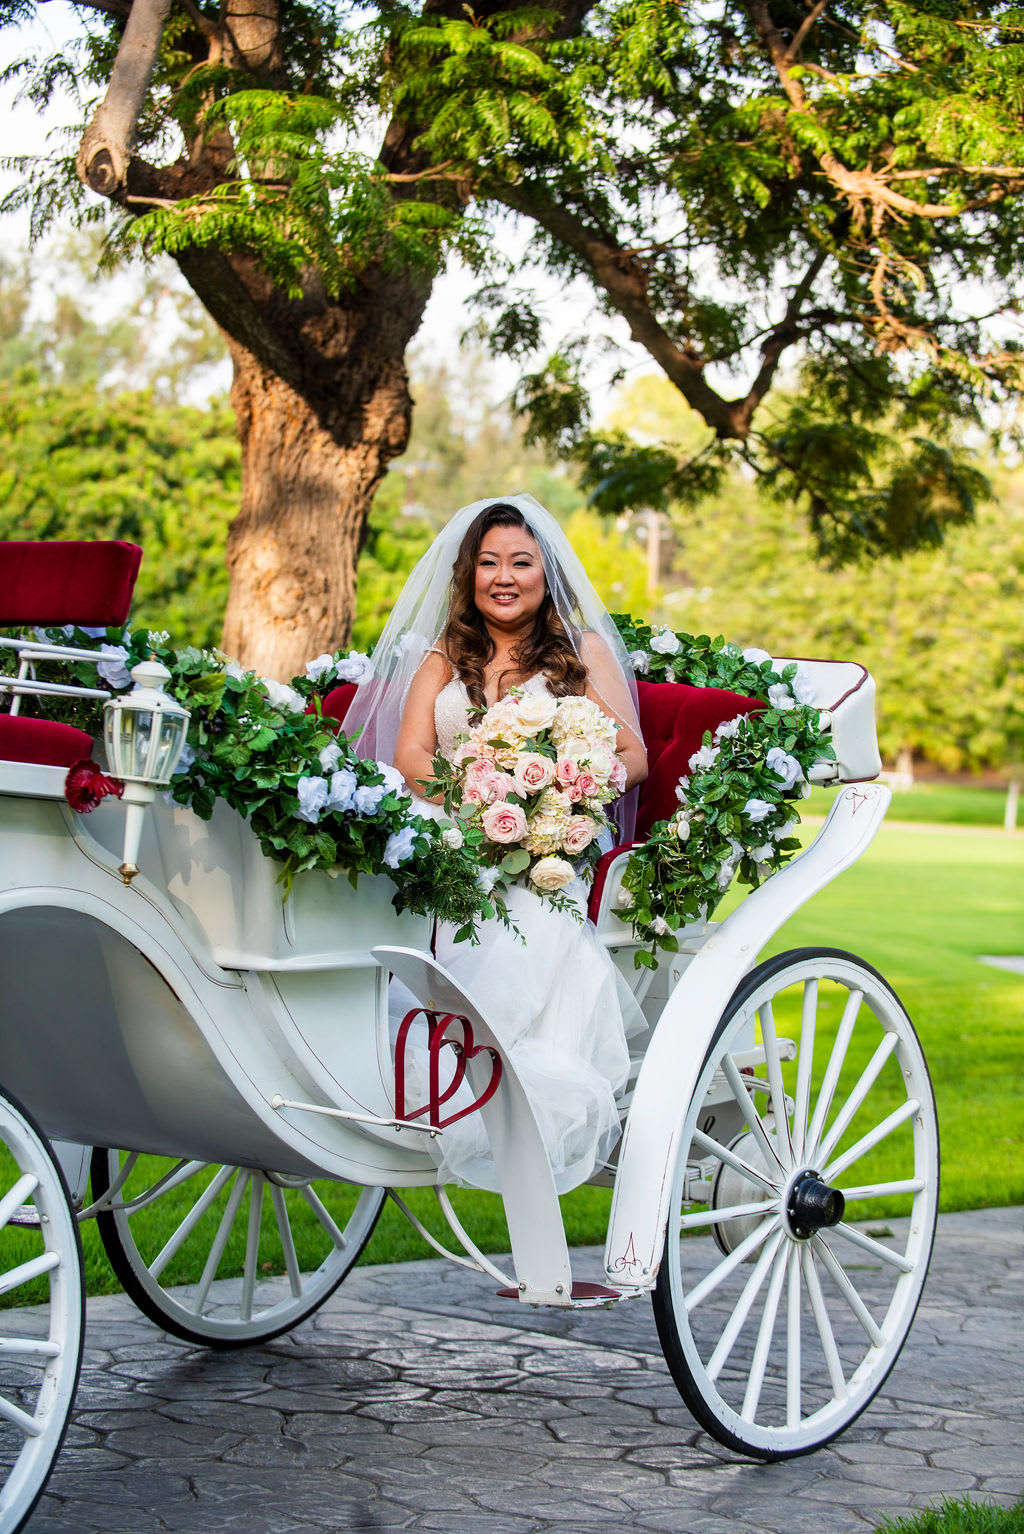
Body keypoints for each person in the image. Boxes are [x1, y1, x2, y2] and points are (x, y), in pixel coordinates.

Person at [345, 493, 648, 1193]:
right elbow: (412, 752)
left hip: (542, 844)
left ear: (547, 575)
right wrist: (478, 793)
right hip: (452, 827)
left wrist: (567, 785)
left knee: (528, 915)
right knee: (407, 875)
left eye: (520, 562)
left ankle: (486, 1083)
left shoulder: (580, 652)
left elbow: (633, 756)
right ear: (468, 573)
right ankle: (379, 1057)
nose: (503, 576)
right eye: (488, 562)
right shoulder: (447, 653)